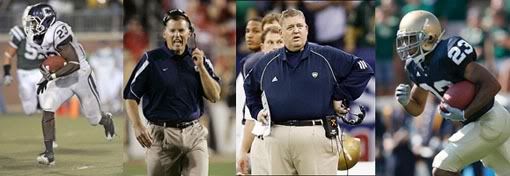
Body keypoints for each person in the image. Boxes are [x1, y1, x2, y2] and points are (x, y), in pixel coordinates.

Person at [244, 8, 373, 175]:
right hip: (276, 135)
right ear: (281, 34)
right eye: (290, 27)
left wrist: (339, 95)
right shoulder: (267, 62)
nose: (296, 30)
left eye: (300, 26)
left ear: (307, 29)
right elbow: (249, 87)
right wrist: (257, 111)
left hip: (315, 132)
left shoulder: (325, 54)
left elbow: (363, 69)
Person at [394, 10, 510, 176]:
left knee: (442, 167)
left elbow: (492, 84)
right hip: (480, 124)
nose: (406, 45)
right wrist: (406, 102)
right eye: (404, 40)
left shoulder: (449, 52)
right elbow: (418, 106)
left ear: (430, 37)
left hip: (490, 120)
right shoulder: (415, 67)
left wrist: (465, 113)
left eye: (411, 39)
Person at [123, 9, 220, 176]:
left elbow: (214, 96)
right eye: (172, 30)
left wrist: (202, 68)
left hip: (194, 133)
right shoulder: (151, 60)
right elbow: (131, 96)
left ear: (189, 33)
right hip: (161, 135)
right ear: (164, 33)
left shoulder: (199, 60)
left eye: (181, 30)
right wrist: (137, 125)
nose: (177, 35)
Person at [23, 3, 116, 165]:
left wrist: (50, 76)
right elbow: (49, 58)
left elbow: (74, 63)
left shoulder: (58, 31)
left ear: (46, 21)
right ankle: (49, 154)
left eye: (34, 22)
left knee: (94, 119)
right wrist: (45, 71)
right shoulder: (35, 38)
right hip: (62, 76)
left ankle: (106, 120)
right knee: (47, 105)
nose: (31, 26)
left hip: (80, 75)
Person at [238, 26, 284, 175]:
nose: (275, 46)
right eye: (270, 42)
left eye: (279, 42)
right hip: (262, 140)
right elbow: (251, 116)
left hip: (286, 141)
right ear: (263, 46)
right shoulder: (253, 70)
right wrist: (243, 151)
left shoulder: (300, 68)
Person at [2, 6, 45, 115]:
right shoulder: (19, 33)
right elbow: (8, 54)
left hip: (39, 70)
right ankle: (34, 104)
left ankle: (41, 104)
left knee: (44, 93)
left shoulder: (45, 34)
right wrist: (7, 73)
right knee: (29, 109)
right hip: (24, 72)